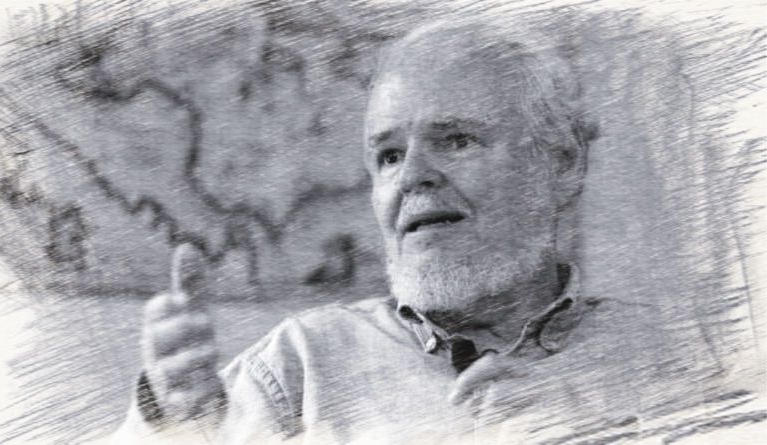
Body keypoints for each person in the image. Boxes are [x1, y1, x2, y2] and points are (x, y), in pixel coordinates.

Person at [112, 19, 726, 445]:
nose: (411, 178)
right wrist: (171, 422)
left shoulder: (675, 359)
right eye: (388, 156)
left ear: (560, 165)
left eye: (455, 140)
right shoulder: (301, 364)